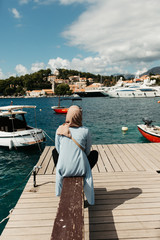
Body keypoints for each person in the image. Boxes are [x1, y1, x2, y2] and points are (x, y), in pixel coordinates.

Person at [52, 105, 98, 205]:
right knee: (94, 154)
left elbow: (59, 150)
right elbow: (87, 151)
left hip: (63, 169)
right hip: (81, 168)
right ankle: (90, 200)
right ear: (79, 116)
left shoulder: (60, 130)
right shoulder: (85, 131)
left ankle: (59, 193)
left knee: (54, 152)